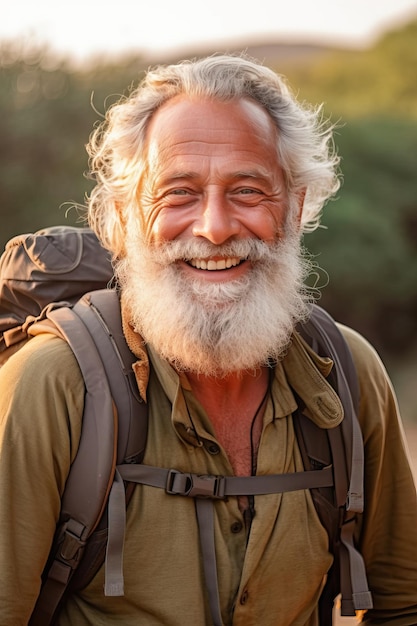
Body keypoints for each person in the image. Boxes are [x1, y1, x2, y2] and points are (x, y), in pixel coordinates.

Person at [0, 53, 416, 626]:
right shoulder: (53, 384)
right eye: (179, 194)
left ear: (294, 209)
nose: (215, 228)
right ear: (124, 217)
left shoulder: (346, 372)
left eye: (248, 191)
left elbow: (403, 604)